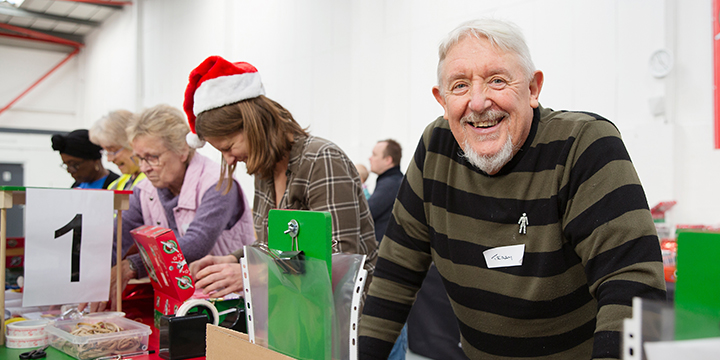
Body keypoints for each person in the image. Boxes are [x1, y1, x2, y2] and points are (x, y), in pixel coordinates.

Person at [358, 18, 666, 360]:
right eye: (459, 86)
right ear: (442, 101)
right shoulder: (436, 148)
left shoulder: (583, 145)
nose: (478, 102)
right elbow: (394, 273)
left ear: (533, 89)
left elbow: (633, 284)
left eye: (497, 80)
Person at [182, 56, 377, 298]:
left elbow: (339, 261)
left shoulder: (321, 159)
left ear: (254, 126)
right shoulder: (265, 171)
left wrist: (251, 274)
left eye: (229, 147)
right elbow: (277, 246)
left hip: (356, 322)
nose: (229, 159)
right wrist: (232, 259)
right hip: (307, 314)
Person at [86, 104, 255, 312]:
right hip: (181, 304)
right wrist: (91, 280)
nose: (144, 168)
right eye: (139, 159)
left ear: (183, 150)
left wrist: (133, 265)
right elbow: (115, 239)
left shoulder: (219, 183)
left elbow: (195, 244)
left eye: (152, 157)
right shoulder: (144, 191)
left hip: (230, 305)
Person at [89, 110, 147, 190]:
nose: (109, 159)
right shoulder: (117, 184)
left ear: (132, 142)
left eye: (113, 151)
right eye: (106, 152)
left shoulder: (152, 183)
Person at [52, 129, 119, 189]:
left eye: (74, 165)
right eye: (66, 165)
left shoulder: (117, 186)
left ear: (95, 160)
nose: (69, 171)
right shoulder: (77, 185)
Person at [367, 139, 403, 243]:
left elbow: (367, 213)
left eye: (374, 155)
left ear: (388, 160)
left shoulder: (390, 184)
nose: (370, 158)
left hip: (385, 249)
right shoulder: (395, 181)